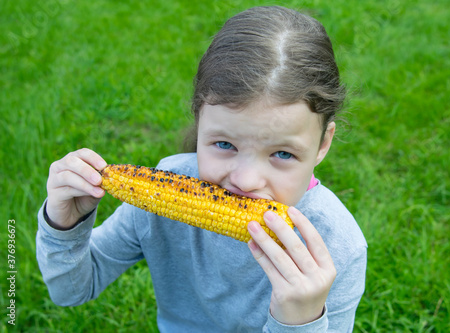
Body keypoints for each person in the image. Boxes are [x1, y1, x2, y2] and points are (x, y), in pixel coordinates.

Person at [37, 6, 367, 332]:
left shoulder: (338, 246)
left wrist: (300, 320)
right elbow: (73, 290)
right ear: (200, 121)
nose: (245, 180)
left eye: (282, 153)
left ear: (323, 144)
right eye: (225, 145)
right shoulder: (159, 200)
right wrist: (64, 225)